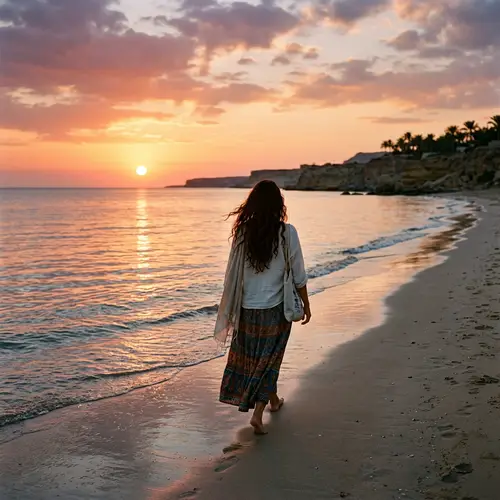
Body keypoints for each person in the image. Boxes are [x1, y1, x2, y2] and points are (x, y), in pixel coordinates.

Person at [214, 180, 311, 435]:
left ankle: (275, 401)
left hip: (247, 309)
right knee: (270, 358)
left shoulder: (243, 233)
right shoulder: (287, 233)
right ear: (279, 204)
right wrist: (306, 303)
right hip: (275, 309)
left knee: (257, 359)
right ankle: (258, 414)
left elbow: (232, 275)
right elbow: (298, 275)